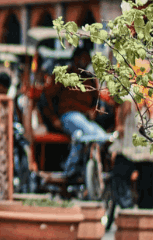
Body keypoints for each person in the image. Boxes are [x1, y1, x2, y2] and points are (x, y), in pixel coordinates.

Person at [42, 46, 111, 183]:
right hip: (69, 116)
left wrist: (93, 111)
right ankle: (73, 170)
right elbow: (46, 98)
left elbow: (96, 102)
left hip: (84, 118)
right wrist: (53, 118)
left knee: (99, 137)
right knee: (90, 133)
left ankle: (75, 171)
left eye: (88, 59)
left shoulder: (90, 78)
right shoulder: (63, 75)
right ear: (76, 59)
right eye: (84, 58)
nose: (86, 62)